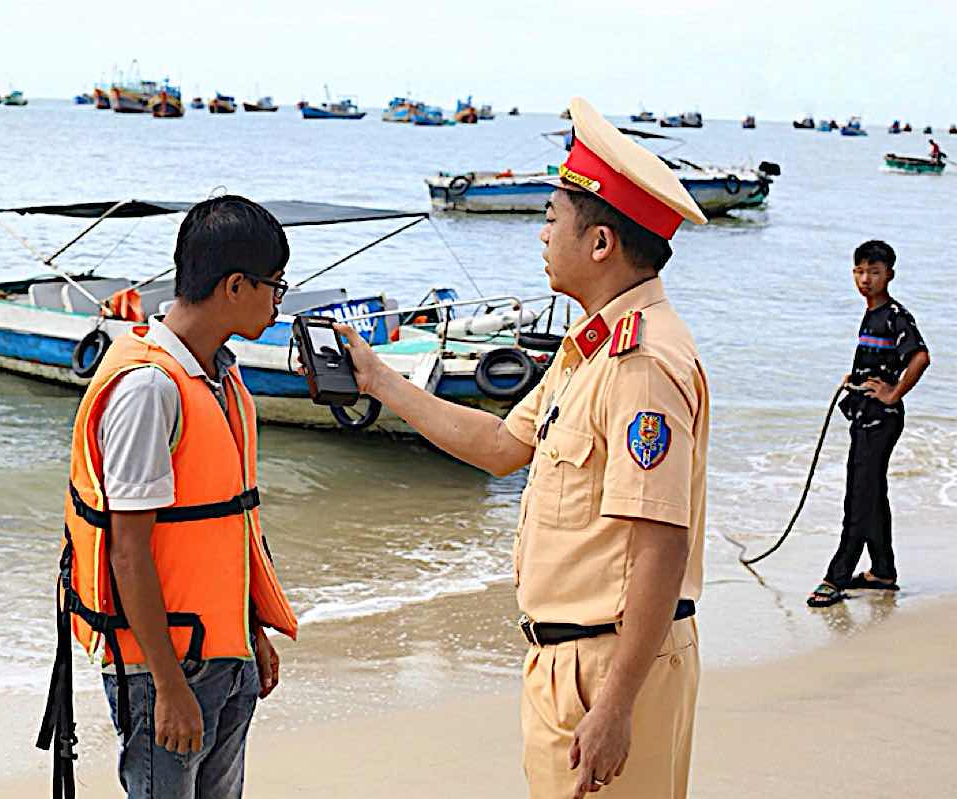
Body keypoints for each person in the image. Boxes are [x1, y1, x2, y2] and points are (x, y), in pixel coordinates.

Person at [337, 97, 709, 799]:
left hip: (608, 664)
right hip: (574, 661)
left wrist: (617, 704)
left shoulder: (643, 361)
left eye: (550, 218)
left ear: (600, 243)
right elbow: (503, 443)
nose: (540, 235)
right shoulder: (591, 344)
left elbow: (662, 540)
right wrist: (379, 380)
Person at [38, 195, 299, 799]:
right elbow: (129, 551)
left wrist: (250, 628)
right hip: (169, 667)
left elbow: (224, 529)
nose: (277, 301)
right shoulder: (148, 389)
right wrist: (168, 687)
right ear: (236, 286)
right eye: (275, 286)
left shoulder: (219, 376)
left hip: (222, 652)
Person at [808, 240, 930, 608]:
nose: (865, 279)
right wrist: (858, 375)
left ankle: (837, 576)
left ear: (889, 274)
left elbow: (920, 357)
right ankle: (882, 571)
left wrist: (894, 393)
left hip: (881, 420)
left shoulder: (894, 314)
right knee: (871, 492)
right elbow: (882, 358)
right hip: (864, 415)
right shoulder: (871, 314)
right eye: (860, 271)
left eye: (874, 272)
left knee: (858, 496)